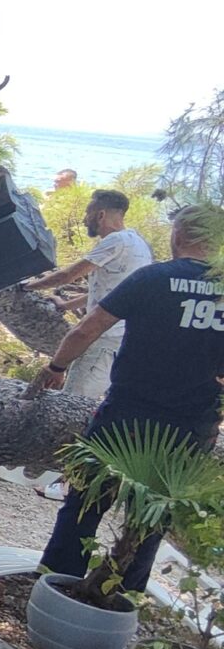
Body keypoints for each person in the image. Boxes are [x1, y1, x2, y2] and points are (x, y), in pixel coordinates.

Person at [29, 204, 224, 593]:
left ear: (179, 235)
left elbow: (88, 329)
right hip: (194, 423)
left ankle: (56, 579)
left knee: (86, 500)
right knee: (153, 515)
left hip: (128, 412)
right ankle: (123, 596)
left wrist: (56, 366)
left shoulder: (154, 277)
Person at [23, 189, 153, 399]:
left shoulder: (116, 241)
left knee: (73, 400)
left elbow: (67, 275)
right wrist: (66, 305)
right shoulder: (139, 242)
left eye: (87, 213)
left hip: (103, 338)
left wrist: (27, 286)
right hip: (121, 338)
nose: (84, 220)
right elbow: (115, 295)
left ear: (101, 215)